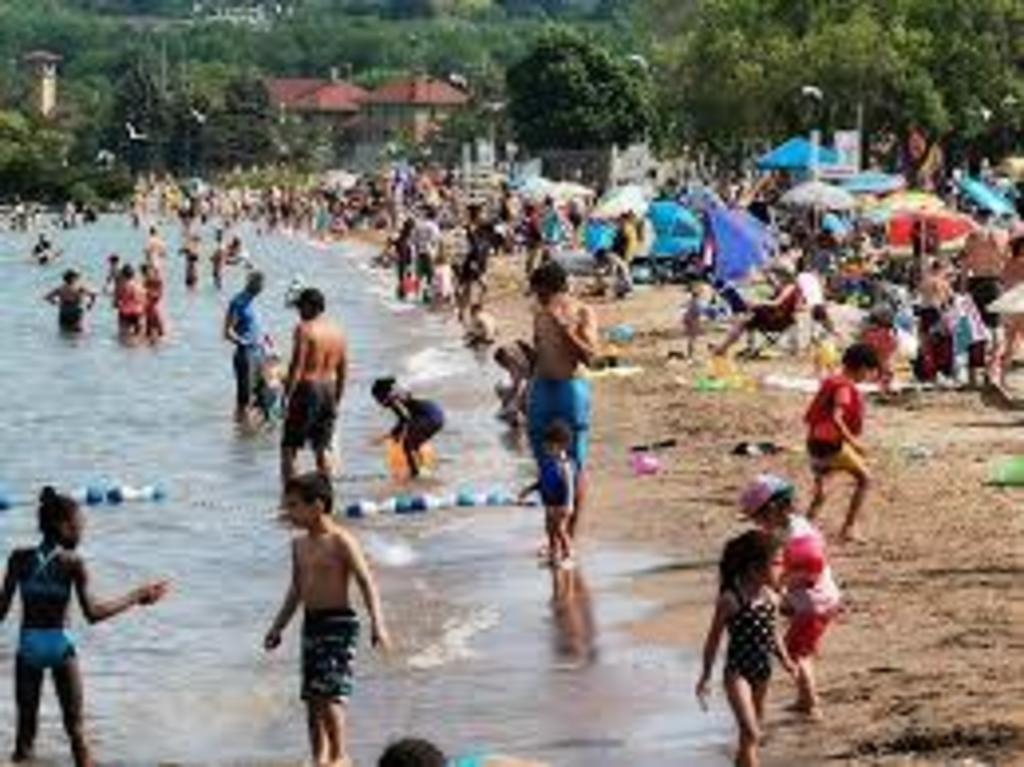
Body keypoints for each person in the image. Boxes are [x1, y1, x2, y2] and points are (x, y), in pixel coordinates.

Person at [0, 488, 168, 767]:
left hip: (28, 649)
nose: (82, 533)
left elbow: (1, 611)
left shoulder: (19, 559)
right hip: (61, 647)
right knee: (76, 732)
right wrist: (136, 596)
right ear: (62, 526)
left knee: (24, 737)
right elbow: (93, 613)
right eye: (79, 527)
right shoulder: (73, 563)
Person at [264, 473, 390, 767]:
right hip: (312, 623)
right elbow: (296, 590)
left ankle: (340, 755)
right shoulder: (298, 545)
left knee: (330, 694)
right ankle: (319, 758)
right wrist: (278, 626)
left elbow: (365, 580)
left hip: (339, 623)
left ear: (318, 505)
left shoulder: (341, 541)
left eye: (294, 506)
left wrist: (378, 623)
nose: (288, 513)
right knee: (311, 697)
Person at [740, 474, 841, 721]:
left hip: (814, 604)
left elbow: (810, 568)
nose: (758, 524)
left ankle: (810, 704)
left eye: (759, 518)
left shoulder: (796, 541)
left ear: (773, 510)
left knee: (794, 653)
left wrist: (780, 587)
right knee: (800, 649)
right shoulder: (797, 524)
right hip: (818, 600)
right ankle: (804, 699)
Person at [696, 530, 795, 767]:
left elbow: (773, 633)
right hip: (737, 673)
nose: (782, 569)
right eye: (777, 564)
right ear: (754, 568)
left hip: (763, 672)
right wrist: (706, 675)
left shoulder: (771, 597)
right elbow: (713, 640)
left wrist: (786, 659)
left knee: (749, 739)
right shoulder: (731, 599)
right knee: (752, 732)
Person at [528, 261, 598, 539]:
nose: (537, 296)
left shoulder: (583, 311)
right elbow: (539, 353)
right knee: (547, 464)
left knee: (574, 464)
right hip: (542, 388)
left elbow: (591, 357)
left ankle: (571, 536)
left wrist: (566, 330)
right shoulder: (539, 313)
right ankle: (555, 538)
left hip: (571, 389)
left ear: (550, 288)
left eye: (539, 291)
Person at [805, 343, 881, 542]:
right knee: (865, 479)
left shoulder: (831, 380)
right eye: (870, 372)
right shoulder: (845, 387)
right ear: (863, 368)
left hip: (814, 443)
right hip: (831, 447)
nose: (869, 376)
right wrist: (854, 443)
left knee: (822, 493)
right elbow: (837, 418)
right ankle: (848, 528)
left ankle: (802, 531)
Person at [281, 287, 348, 485]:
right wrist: (337, 399)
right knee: (321, 448)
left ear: (311, 307)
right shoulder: (338, 332)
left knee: (289, 448)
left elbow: (297, 366)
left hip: (307, 389)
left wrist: (286, 397)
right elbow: (344, 369)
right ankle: (326, 493)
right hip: (329, 388)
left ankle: (290, 497)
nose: (299, 311)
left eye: (301, 306)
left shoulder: (304, 329)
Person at [519, 421, 576, 568]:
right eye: (547, 446)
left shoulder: (565, 464)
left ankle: (569, 556)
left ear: (562, 446)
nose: (547, 450)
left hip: (562, 504)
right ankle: (554, 555)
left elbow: (569, 486)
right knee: (549, 530)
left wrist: (569, 504)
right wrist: (528, 489)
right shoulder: (547, 462)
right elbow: (541, 481)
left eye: (551, 447)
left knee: (560, 529)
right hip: (549, 504)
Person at [371, 377, 445, 480]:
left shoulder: (393, 399)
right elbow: (405, 419)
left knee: (407, 445)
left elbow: (404, 419)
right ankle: (423, 469)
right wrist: (395, 434)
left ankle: (415, 475)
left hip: (428, 416)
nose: (377, 402)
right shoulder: (399, 393)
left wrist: (390, 435)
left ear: (383, 394)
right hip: (438, 416)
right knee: (415, 444)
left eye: (376, 398)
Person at [224, 271, 265, 422]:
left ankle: (250, 430)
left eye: (262, 284)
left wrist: (268, 343)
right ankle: (240, 427)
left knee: (261, 394)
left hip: (260, 352)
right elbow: (228, 332)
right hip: (245, 353)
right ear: (249, 283)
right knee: (244, 397)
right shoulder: (238, 302)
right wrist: (244, 342)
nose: (261, 287)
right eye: (259, 284)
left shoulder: (255, 301)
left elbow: (258, 327)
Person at [494, 340, 535, 427]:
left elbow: (520, 385)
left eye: (506, 364)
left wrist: (514, 403)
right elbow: (516, 384)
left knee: (519, 397)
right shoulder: (522, 364)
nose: (508, 369)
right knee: (503, 389)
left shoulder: (535, 370)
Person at [114, 264, 146, 339]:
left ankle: (126, 349)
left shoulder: (121, 286)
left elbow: (116, 302)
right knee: (140, 336)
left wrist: (118, 304)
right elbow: (143, 299)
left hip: (125, 312)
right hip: (138, 311)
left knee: (123, 337)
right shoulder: (139, 285)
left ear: (123, 275)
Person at [140, 263, 165, 342]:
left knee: (158, 330)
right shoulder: (146, 281)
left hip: (152, 307)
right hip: (149, 307)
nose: (148, 274)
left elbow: (159, 295)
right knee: (150, 330)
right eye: (146, 273)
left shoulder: (155, 280)